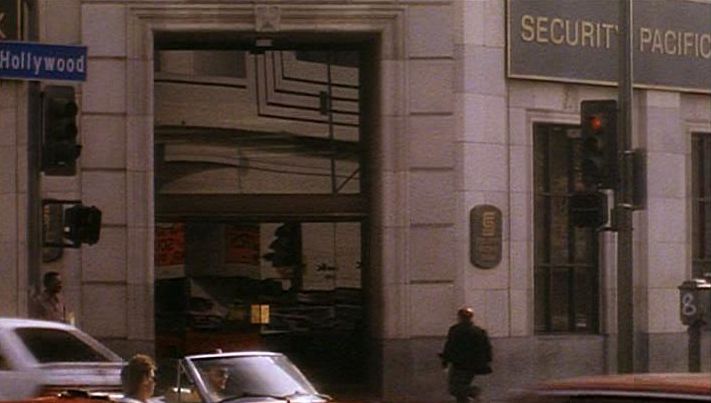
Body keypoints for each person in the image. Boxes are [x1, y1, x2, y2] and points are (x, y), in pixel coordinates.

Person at [440, 307, 492, 403]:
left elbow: (450, 345)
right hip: (472, 364)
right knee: (460, 386)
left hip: (458, 363)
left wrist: (445, 360)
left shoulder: (455, 330)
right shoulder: (479, 331)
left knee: (455, 388)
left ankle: (473, 392)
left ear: (459, 317)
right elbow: (486, 348)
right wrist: (486, 361)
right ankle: (470, 394)